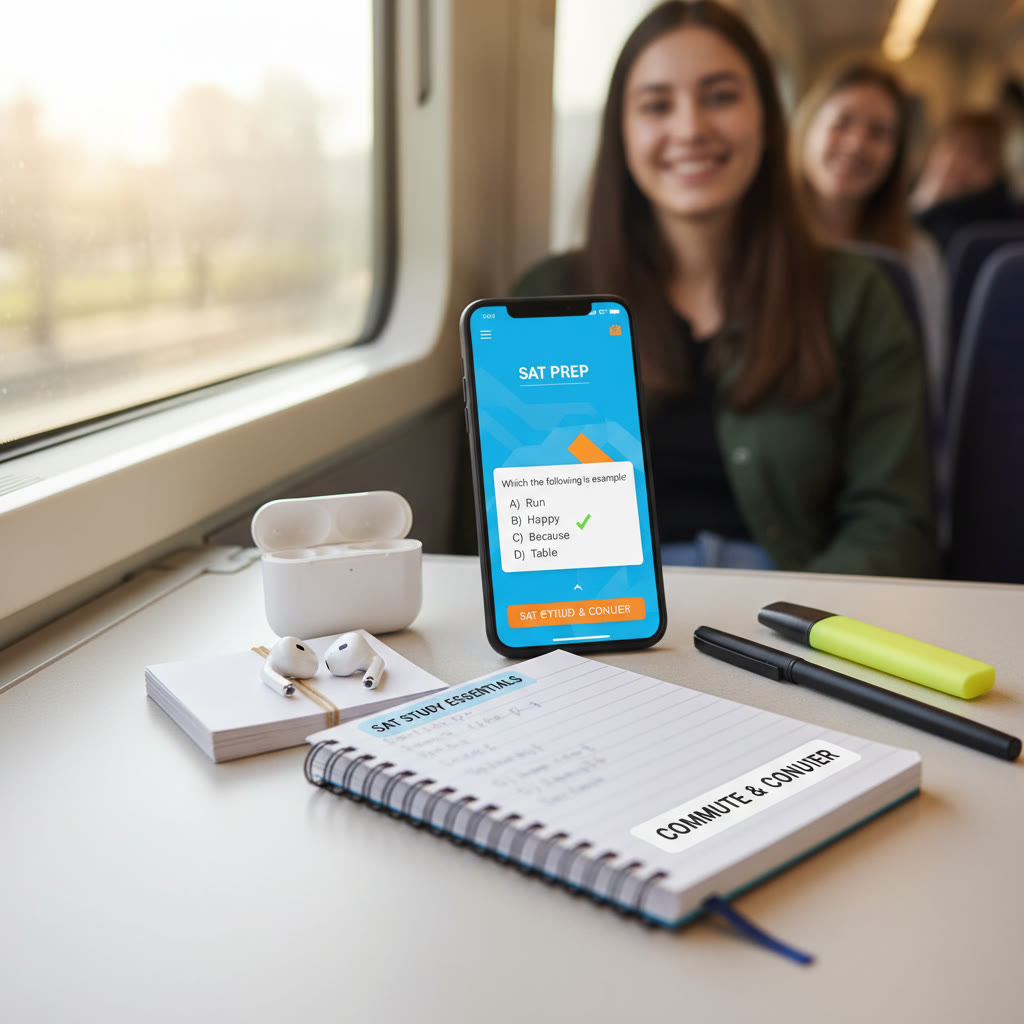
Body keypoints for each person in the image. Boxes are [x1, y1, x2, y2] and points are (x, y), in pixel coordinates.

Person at [510, 0, 936, 576]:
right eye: (657, 105)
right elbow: (525, 529)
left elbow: (893, 522)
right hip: (610, 601)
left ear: (767, 119)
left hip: (793, 603)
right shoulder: (549, 299)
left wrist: (796, 618)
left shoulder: (858, 296)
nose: (690, 129)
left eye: (720, 97)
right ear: (622, 134)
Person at [792, 62, 947, 418]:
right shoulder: (758, 241)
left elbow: (929, 381)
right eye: (841, 122)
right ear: (808, 128)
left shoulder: (916, 255)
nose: (856, 144)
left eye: (878, 133)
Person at [911, 110, 1022, 251]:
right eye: (950, 146)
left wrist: (925, 202)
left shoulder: (947, 226)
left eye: (969, 152)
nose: (952, 160)